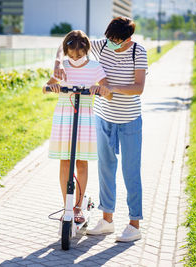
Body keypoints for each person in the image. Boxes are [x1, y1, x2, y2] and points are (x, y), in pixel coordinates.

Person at [54, 17, 148, 242]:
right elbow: (65, 45)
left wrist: (110, 87)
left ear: (128, 38)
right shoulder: (103, 45)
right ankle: (107, 220)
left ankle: (134, 224)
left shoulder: (138, 52)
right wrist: (58, 63)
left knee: (130, 171)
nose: (112, 43)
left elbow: (139, 87)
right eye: (110, 39)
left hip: (129, 119)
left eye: (117, 40)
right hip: (104, 118)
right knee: (106, 170)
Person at [43, 30, 111, 224]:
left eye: (79, 55)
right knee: (65, 161)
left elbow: (108, 91)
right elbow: (45, 87)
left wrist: (101, 89)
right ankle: (67, 206)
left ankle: (78, 206)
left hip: (85, 117)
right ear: (66, 51)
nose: (75, 58)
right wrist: (53, 86)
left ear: (86, 50)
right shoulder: (62, 66)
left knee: (81, 162)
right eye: (71, 54)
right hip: (63, 117)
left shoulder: (95, 67)